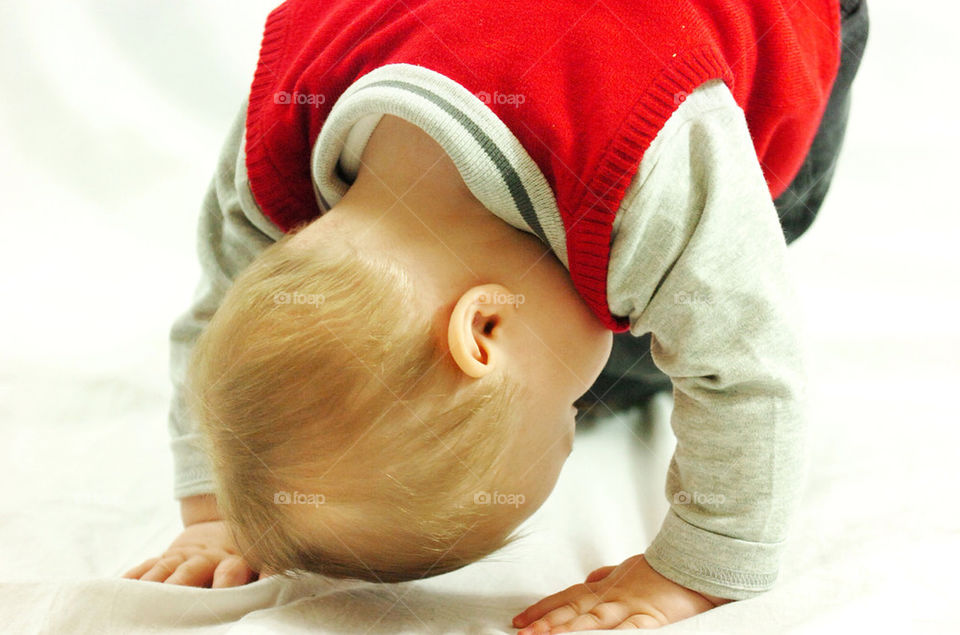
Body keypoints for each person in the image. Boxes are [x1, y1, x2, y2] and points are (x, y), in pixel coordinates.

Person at [123, 0, 869, 631]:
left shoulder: (651, 156)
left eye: (566, 414)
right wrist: (218, 510)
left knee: (711, 285)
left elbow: (747, 362)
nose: (582, 410)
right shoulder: (279, 127)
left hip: (765, 24)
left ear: (484, 330)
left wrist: (694, 568)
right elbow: (219, 312)